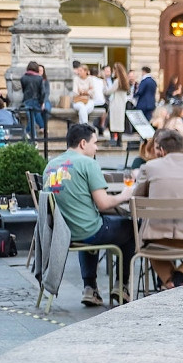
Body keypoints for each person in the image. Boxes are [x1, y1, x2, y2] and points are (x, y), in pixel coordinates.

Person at [42, 124, 136, 306]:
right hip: (86, 231)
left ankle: (90, 288)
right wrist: (124, 195)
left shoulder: (51, 165)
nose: (97, 147)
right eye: (95, 143)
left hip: (61, 233)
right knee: (130, 227)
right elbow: (103, 203)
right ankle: (121, 286)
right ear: (83, 143)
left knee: (91, 224)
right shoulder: (88, 163)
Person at [132, 129, 183, 288]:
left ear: (162, 150)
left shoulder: (149, 167)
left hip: (155, 238)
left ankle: (171, 282)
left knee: (147, 248)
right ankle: (178, 280)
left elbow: (137, 202)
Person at [105, 62, 130, 144]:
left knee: (113, 122)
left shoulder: (117, 81)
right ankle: (119, 141)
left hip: (115, 104)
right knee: (119, 123)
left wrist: (104, 85)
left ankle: (113, 140)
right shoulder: (125, 81)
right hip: (122, 104)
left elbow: (109, 91)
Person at [19, 61, 45, 138]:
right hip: (36, 101)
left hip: (27, 100)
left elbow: (24, 90)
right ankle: (31, 135)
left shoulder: (23, 78)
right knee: (33, 119)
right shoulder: (39, 78)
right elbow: (42, 92)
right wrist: (42, 102)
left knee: (32, 118)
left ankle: (31, 133)